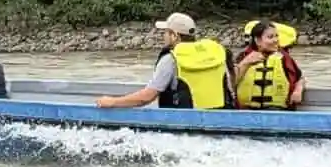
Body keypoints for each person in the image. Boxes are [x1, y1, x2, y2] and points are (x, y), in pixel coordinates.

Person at [95, 11, 231, 110]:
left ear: (174, 36)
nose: (163, 36)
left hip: (185, 121)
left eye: (166, 32)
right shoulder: (216, 53)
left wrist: (113, 102)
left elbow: (147, 97)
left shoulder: (171, 59)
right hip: (219, 116)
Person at [232, 19, 303, 110]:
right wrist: (245, 63)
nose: (276, 40)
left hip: (277, 111)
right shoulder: (243, 57)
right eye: (270, 37)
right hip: (246, 112)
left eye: (276, 36)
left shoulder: (284, 58)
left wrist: (298, 91)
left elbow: (299, 78)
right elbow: (230, 83)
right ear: (258, 40)